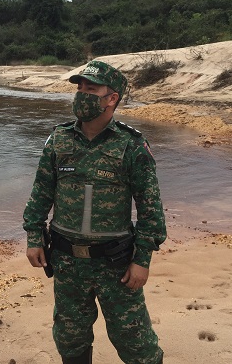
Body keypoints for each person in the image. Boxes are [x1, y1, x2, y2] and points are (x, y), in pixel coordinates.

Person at [23, 60, 167, 364]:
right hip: (66, 263)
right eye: (79, 87)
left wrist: (142, 260)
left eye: (91, 88)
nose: (82, 94)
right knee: (70, 340)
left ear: (111, 98)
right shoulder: (59, 140)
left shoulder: (132, 145)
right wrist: (34, 235)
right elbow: (41, 193)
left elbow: (150, 210)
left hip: (115, 265)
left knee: (136, 343)